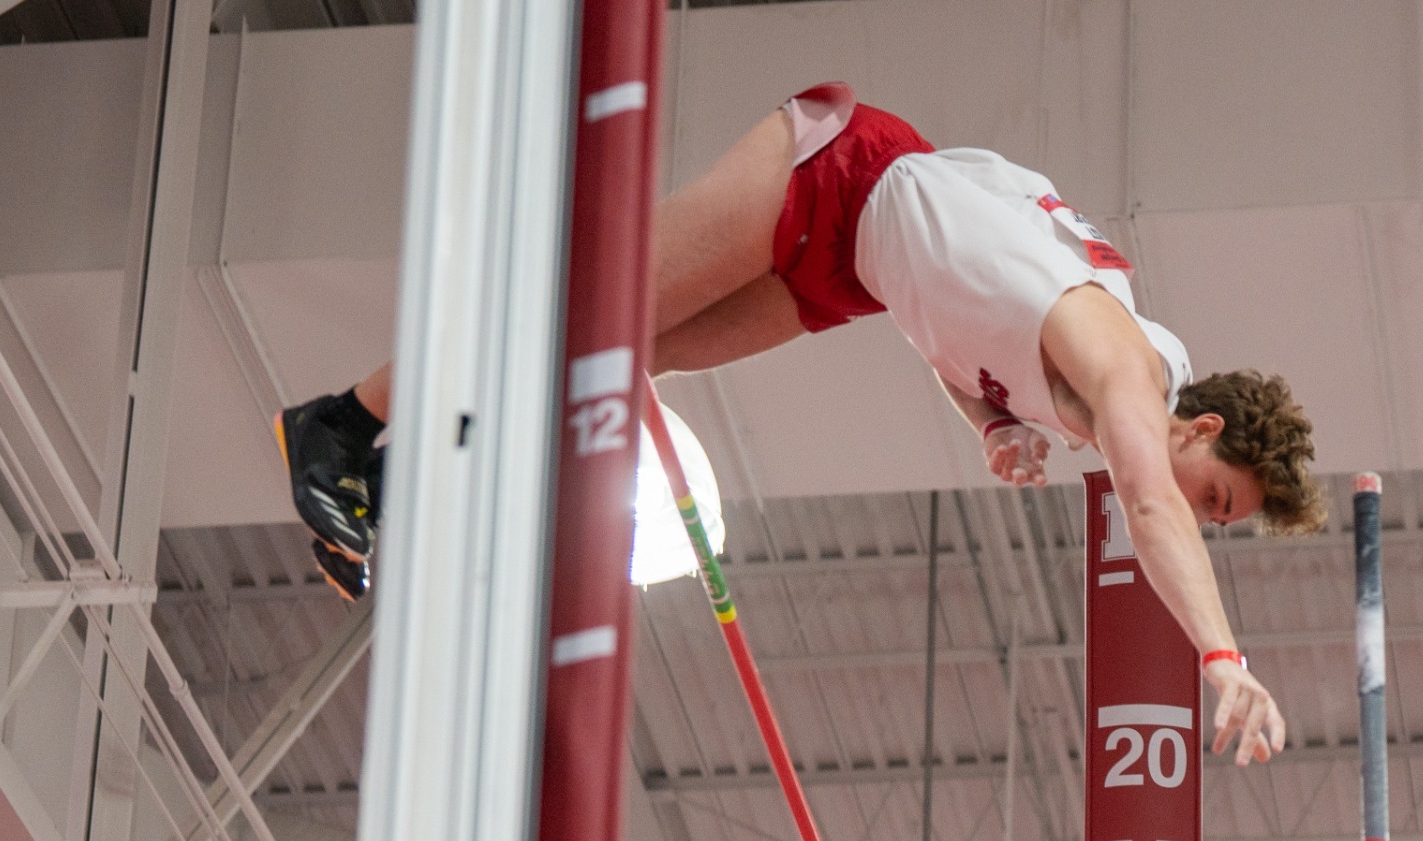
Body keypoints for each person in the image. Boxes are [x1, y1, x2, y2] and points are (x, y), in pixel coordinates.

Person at [273, 82, 1324, 765]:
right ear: (1201, 427)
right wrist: (1220, 657)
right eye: (1216, 498)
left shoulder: (1100, 375)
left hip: (855, 269)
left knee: (617, 356)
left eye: (1216, 519)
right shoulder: (1127, 370)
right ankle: (339, 422)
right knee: (583, 318)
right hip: (840, 172)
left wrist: (986, 423)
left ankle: (410, 478)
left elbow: (958, 315)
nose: (1200, 513)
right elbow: (1148, 506)